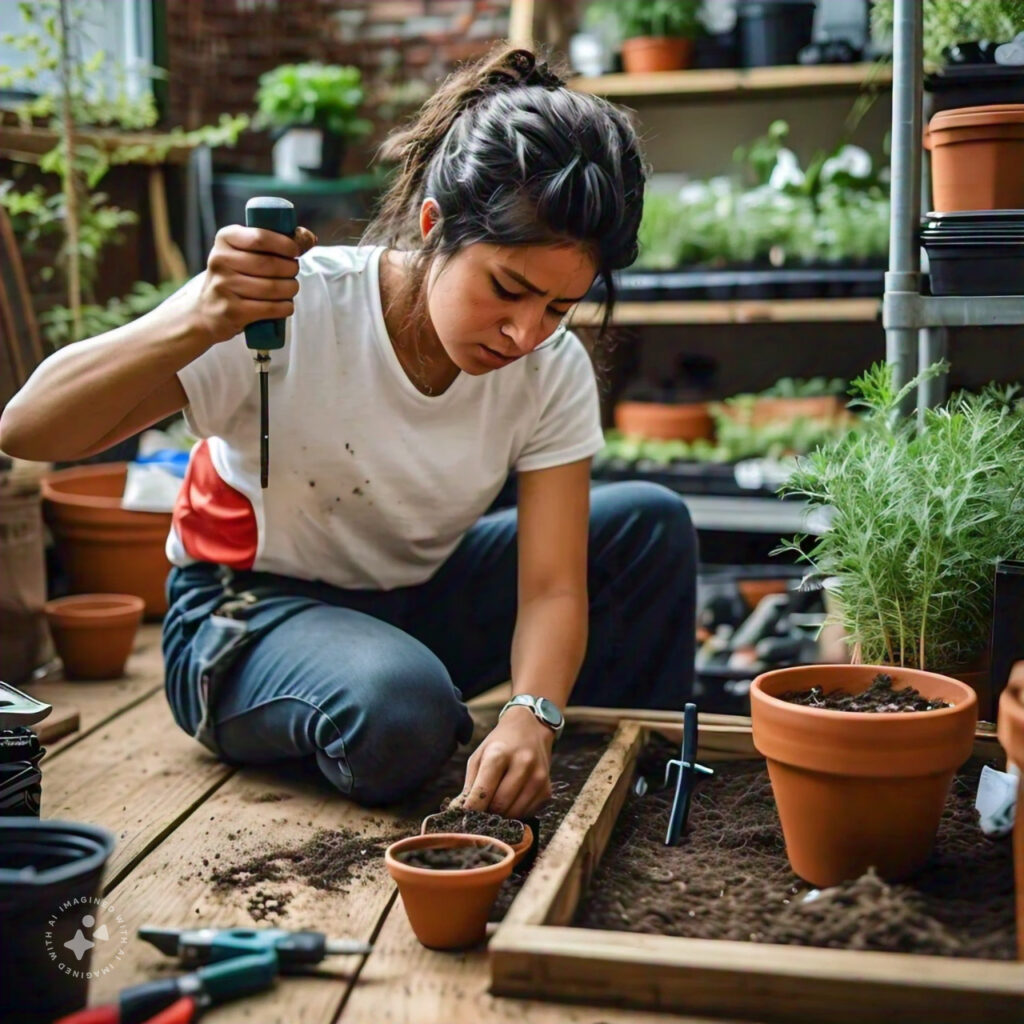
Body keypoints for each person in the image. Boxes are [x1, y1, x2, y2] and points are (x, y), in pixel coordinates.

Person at [0, 47, 697, 820]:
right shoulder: (288, 311)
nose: (526, 332)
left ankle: (604, 785)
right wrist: (197, 316)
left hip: (412, 598)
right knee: (403, 711)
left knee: (649, 526)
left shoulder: (548, 368)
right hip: (247, 618)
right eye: (508, 288)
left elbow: (553, 586)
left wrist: (532, 712)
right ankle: (370, 708)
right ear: (434, 225)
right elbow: (29, 427)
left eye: (559, 308)